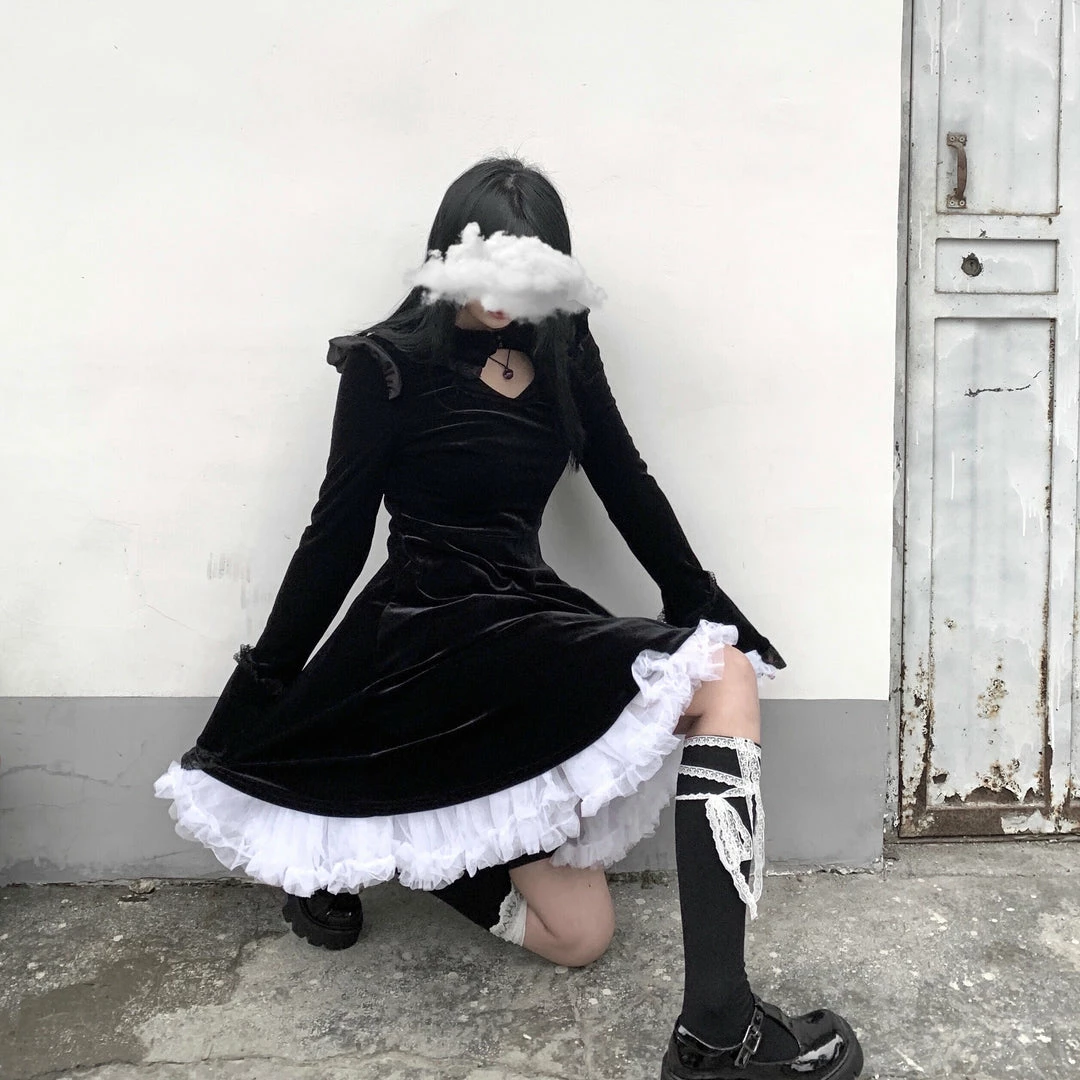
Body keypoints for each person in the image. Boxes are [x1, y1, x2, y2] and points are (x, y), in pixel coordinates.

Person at [155, 157, 863, 1079]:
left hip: (522, 617)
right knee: (721, 682)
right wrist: (261, 690)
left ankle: (406, 848)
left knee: (580, 934)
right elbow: (333, 538)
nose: (502, 298)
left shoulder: (564, 353)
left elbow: (626, 483)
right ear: (449, 254)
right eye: (486, 267)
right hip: (425, 631)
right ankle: (720, 1035)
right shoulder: (384, 365)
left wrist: (700, 603)